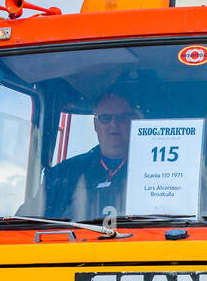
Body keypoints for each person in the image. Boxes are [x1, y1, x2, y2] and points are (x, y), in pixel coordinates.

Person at [41, 91, 140, 221]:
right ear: (95, 125)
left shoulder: (151, 171)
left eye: (122, 118)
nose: (114, 125)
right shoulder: (61, 174)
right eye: (105, 118)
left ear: (133, 122)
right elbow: (32, 222)